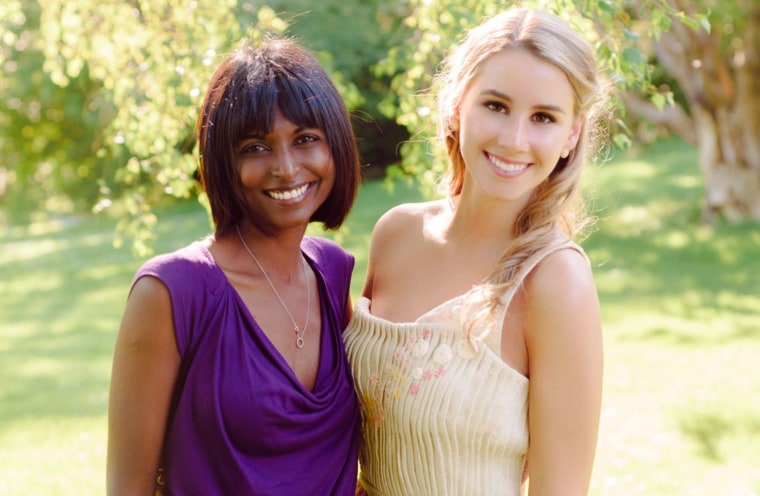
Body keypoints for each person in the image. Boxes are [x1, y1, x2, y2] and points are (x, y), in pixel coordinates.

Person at [345, 8, 608, 496]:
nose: (514, 139)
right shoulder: (396, 233)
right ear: (457, 104)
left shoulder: (554, 281)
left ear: (571, 134)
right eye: (496, 106)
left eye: (544, 118)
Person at [107, 36, 362, 495]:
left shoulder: (333, 271)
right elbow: (128, 486)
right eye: (255, 147)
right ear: (223, 161)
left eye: (306, 139)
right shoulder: (172, 291)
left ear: (336, 147)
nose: (286, 168)